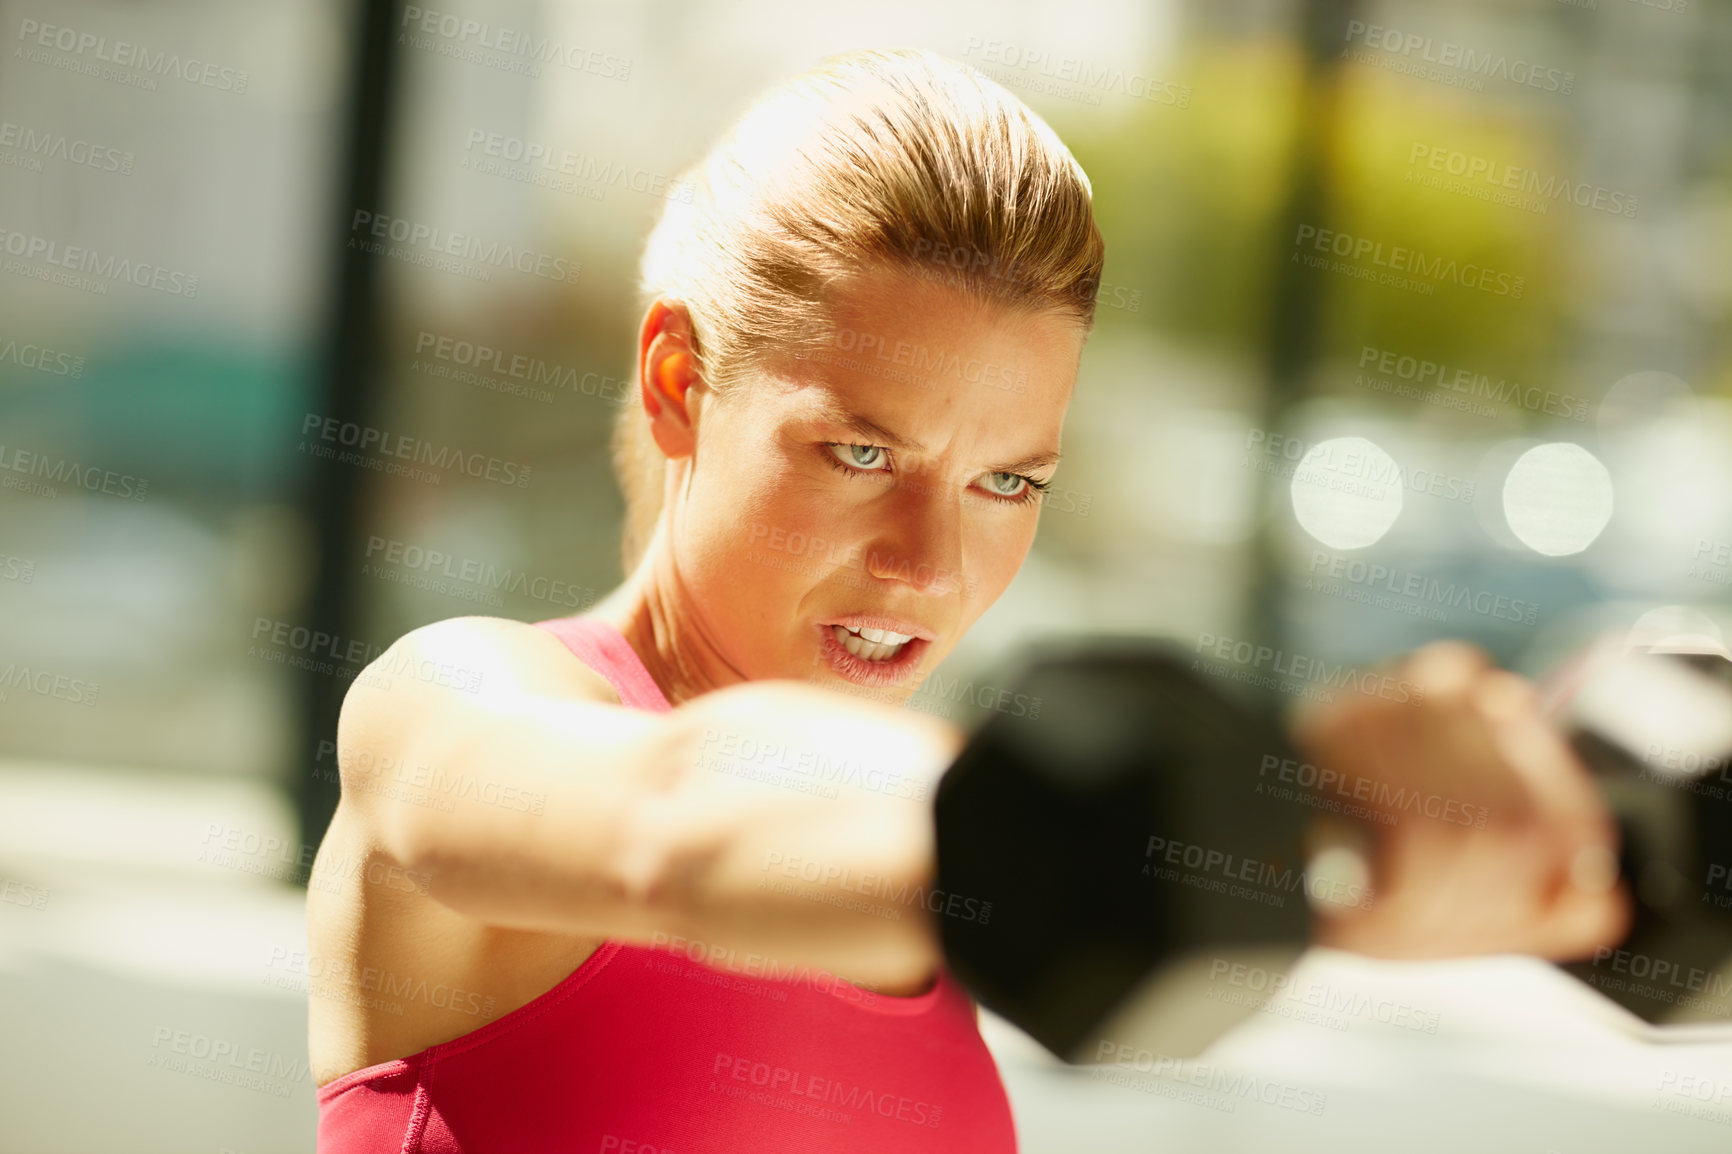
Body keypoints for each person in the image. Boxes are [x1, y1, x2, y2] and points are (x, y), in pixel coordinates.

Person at [307, 47, 1628, 1152]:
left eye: (1006, 480)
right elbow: (671, 816)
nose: (930, 566)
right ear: (675, 382)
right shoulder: (453, 704)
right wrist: (1267, 802)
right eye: (863, 453)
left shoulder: (943, 895)